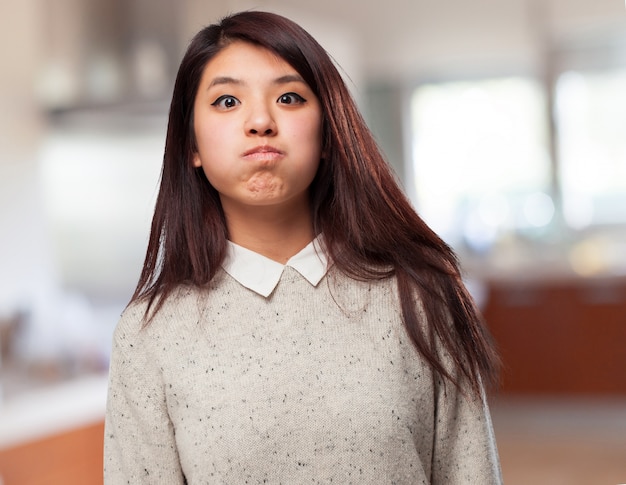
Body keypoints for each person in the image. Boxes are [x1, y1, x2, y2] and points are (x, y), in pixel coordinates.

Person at [104, 10, 502, 484]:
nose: (260, 121)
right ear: (191, 145)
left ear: (328, 134)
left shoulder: (422, 295)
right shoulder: (148, 336)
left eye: (289, 97)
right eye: (227, 101)